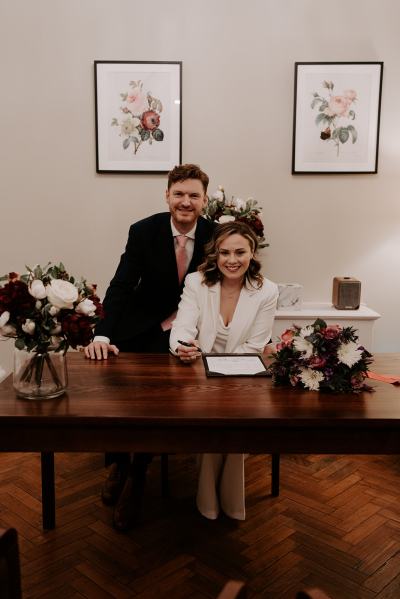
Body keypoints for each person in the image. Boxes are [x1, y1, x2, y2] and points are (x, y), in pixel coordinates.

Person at [84, 163, 215, 530]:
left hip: (188, 332)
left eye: (193, 195)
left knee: (162, 400)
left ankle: (137, 475)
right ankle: (117, 465)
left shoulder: (216, 235)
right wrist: (102, 334)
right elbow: (122, 284)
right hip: (140, 326)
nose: (185, 202)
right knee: (119, 393)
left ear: (205, 199)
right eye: (179, 194)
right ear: (167, 196)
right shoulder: (143, 230)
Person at [170, 221, 278, 520]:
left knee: (234, 424)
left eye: (240, 252)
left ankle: (224, 504)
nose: (232, 260)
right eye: (225, 252)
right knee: (209, 420)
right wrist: (182, 345)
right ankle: (211, 503)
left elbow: (256, 345)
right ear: (215, 254)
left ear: (252, 252)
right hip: (198, 371)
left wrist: (225, 374)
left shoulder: (267, 290)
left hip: (245, 373)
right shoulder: (196, 282)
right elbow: (183, 324)